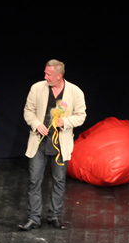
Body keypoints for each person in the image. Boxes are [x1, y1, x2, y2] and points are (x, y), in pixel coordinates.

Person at [18, 59, 87, 230]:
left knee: (59, 181)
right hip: (39, 143)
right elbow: (28, 111)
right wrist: (36, 124)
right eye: (45, 73)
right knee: (35, 181)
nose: (45, 77)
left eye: (48, 74)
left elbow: (81, 116)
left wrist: (65, 122)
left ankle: (54, 216)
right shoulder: (37, 88)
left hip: (60, 144)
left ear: (59, 76)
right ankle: (34, 218)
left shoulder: (75, 92)